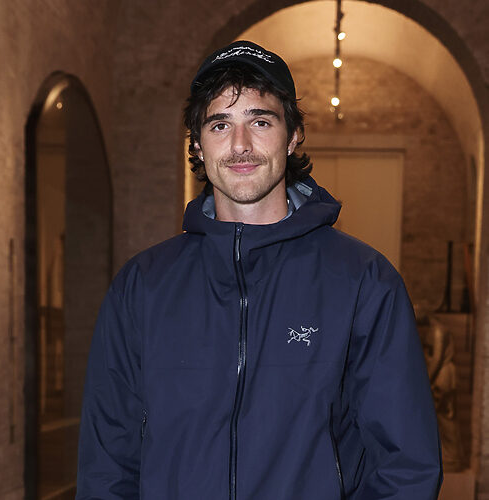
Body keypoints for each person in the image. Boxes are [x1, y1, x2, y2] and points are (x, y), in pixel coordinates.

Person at [76, 41, 442, 499]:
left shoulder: (364, 281)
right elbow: (107, 465)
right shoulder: (142, 287)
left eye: (260, 121)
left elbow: (406, 466)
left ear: (293, 136)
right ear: (197, 143)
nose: (240, 145)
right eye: (220, 124)